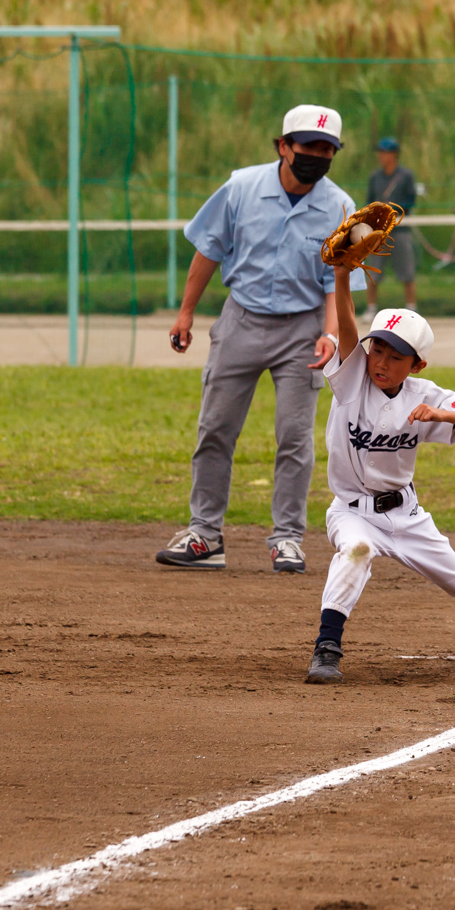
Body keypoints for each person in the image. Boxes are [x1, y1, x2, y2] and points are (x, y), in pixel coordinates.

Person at [159, 104, 363, 575]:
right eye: (308, 146)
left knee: (294, 437)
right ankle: (204, 535)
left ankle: (288, 539)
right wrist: (186, 313)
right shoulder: (241, 187)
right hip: (242, 319)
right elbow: (208, 250)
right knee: (215, 429)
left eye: (326, 149)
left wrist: (331, 334)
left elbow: (338, 281)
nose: (317, 155)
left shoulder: (341, 207)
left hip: (303, 330)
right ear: (283, 146)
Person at [303, 302, 455, 684]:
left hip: (406, 517)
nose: (381, 362)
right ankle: (327, 648)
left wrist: (443, 415)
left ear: (417, 365)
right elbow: (345, 324)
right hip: (352, 511)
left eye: (396, 357)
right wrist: (342, 276)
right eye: (376, 350)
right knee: (355, 551)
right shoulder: (350, 381)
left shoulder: (425, 394)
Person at [363, 136, 418, 319]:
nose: (381, 156)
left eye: (384, 153)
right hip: (379, 230)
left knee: (406, 269)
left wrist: (393, 206)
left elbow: (411, 200)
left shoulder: (405, 176)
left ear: (393, 154)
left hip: (400, 229)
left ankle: (411, 306)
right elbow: (369, 201)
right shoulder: (374, 177)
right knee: (373, 270)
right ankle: (371, 307)